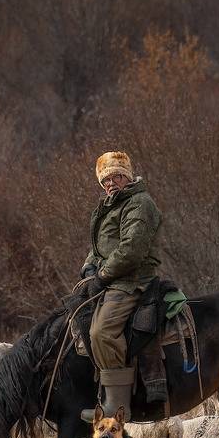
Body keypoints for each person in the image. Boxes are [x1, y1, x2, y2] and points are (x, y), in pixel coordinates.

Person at [78, 151, 162, 418]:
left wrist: (102, 276)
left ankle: (117, 405)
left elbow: (131, 250)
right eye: (105, 180)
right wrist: (89, 268)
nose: (110, 183)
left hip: (132, 279)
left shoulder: (140, 203)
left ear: (126, 177)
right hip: (111, 277)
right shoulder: (109, 206)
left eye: (115, 177)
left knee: (101, 331)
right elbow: (98, 247)